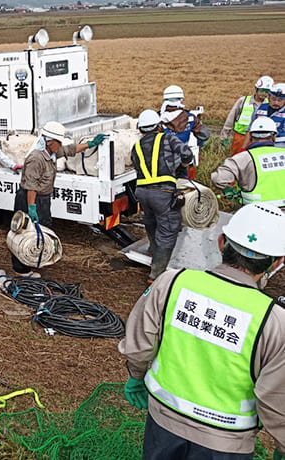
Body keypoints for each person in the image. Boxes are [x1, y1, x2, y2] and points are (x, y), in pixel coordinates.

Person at [119, 202, 285, 460]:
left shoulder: (172, 282)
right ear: (277, 263)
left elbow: (140, 344)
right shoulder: (275, 321)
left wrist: (136, 375)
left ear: (221, 242)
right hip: (226, 442)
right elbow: (275, 398)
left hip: (164, 423)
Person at [11, 121, 104, 276]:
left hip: (42, 198)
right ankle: (21, 269)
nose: (60, 145)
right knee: (25, 231)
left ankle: (33, 259)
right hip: (31, 198)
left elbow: (71, 149)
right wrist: (32, 208)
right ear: (49, 142)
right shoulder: (36, 158)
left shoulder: (51, 152)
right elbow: (31, 186)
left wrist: (91, 143)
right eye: (58, 142)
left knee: (43, 227)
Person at [131, 109, 193, 282]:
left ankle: (153, 250)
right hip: (163, 192)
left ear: (141, 129)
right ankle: (156, 274)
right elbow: (187, 154)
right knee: (168, 229)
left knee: (151, 221)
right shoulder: (167, 138)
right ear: (158, 126)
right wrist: (182, 167)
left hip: (142, 192)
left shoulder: (135, 147)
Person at [212, 117, 285, 208]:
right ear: (274, 136)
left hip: (255, 213)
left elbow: (218, 179)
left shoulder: (242, 158)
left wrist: (229, 190)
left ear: (250, 136)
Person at [220, 76, 273, 156]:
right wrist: (224, 136)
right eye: (262, 91)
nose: (264, 94)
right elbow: (231, 118)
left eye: (267, 92)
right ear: (256, 88)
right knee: (237, 159)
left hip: (260, 139)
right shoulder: (243, 101)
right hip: (241, 137)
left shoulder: (269, 105)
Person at [160, 85, 210, 152]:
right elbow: (204, 135)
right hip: (184, 156)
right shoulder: (191, 118)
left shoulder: (157, 118)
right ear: (181, 100)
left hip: (163, 157)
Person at [248, 83, 285, 148]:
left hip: (280, 147)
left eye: (280, 100)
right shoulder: (259, 109)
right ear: (269, 97)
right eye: (273, 99)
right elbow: (249, 129)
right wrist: (243, 148)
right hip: (259, 145)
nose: (276, 102)